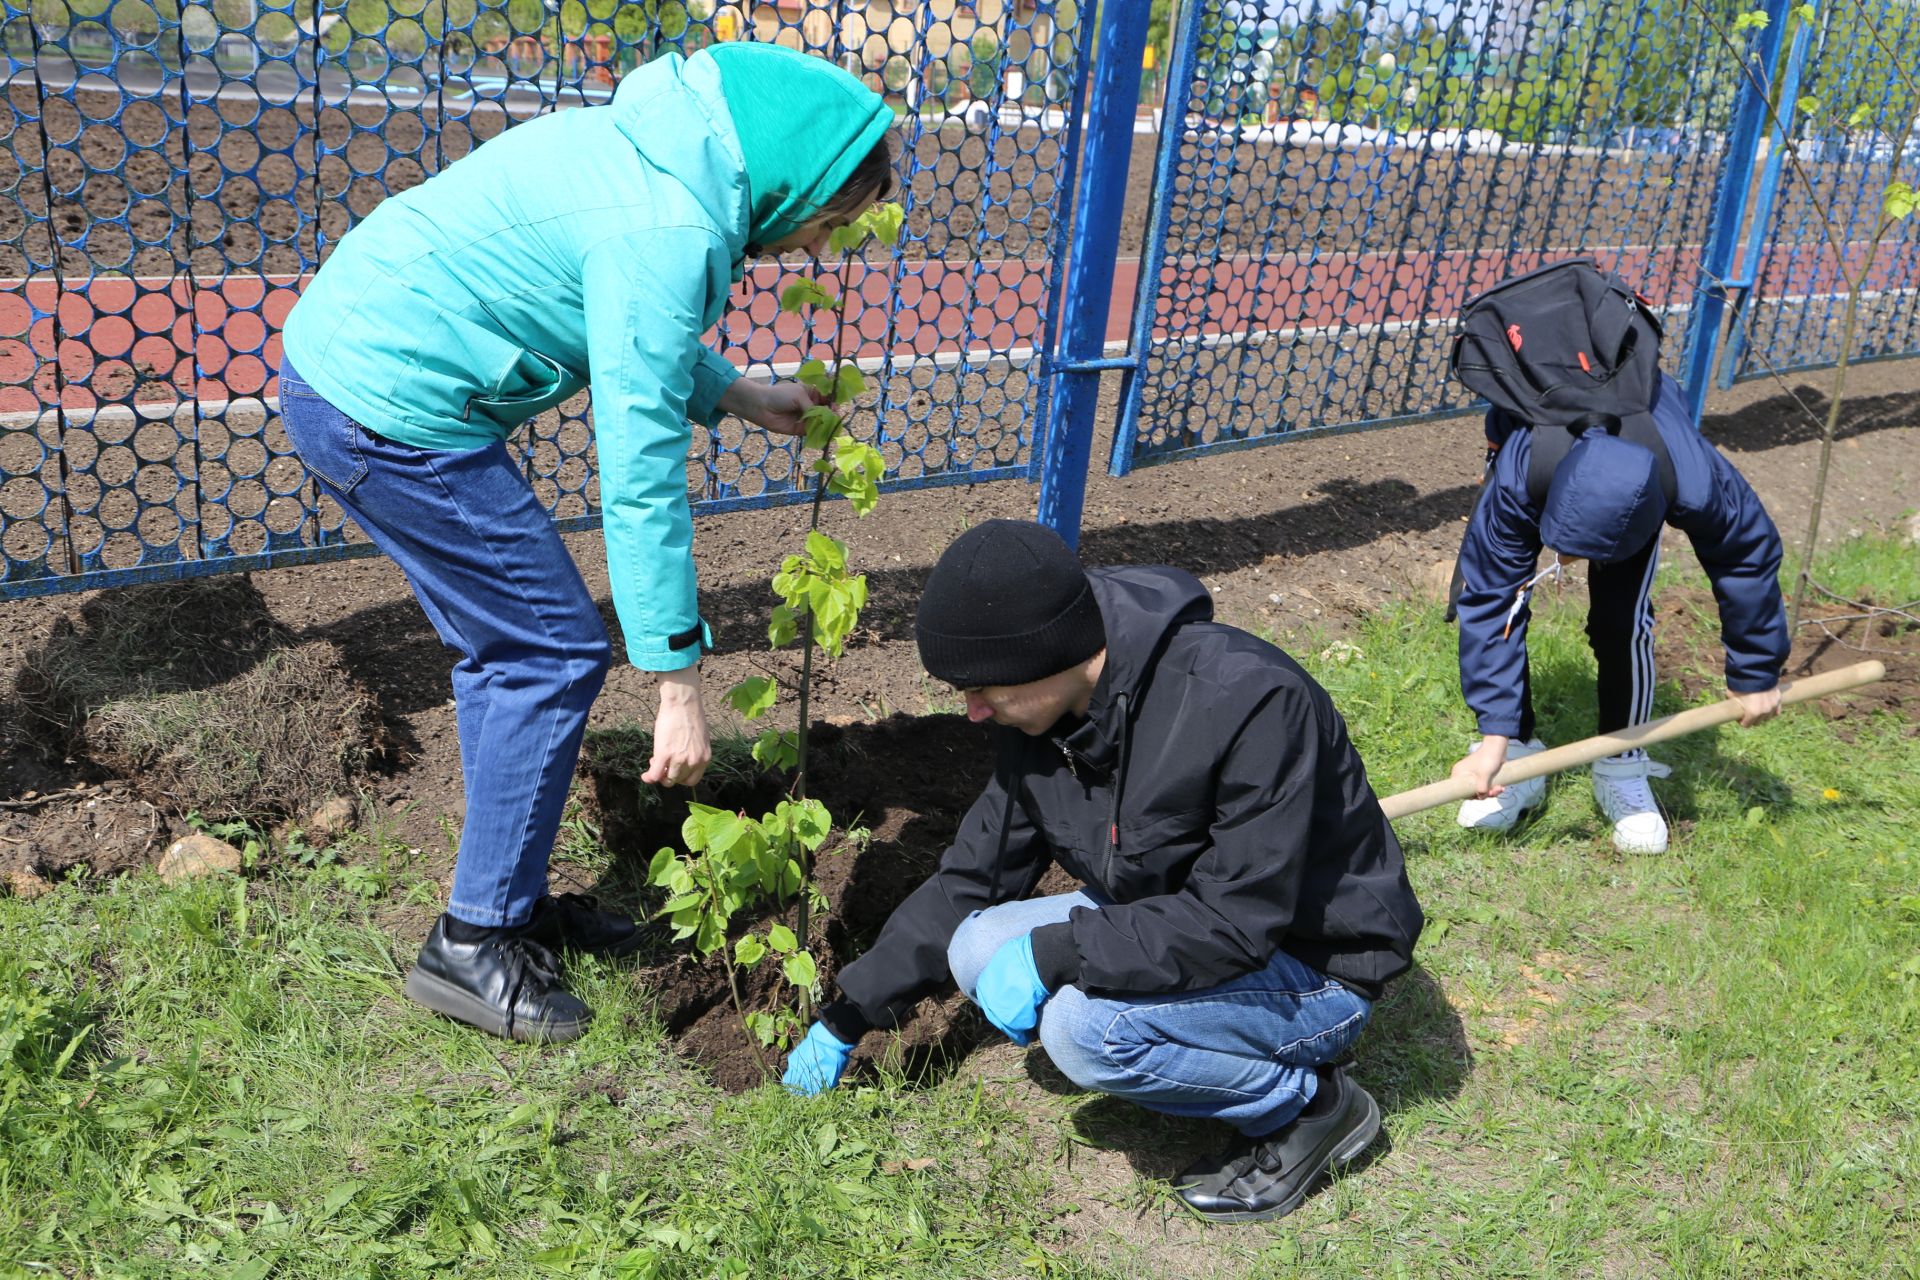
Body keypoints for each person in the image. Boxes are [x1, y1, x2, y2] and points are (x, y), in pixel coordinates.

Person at [276, 43, 895, 1043]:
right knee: (549, 648)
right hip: (382, 405)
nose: (822, 252)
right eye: (829, 224)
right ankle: (472, 944)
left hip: (361, 373)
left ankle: (502, 906)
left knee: (508, 650)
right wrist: (677, 682)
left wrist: (735, 390)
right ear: (790, 184)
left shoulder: (667, 155)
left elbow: (621, 321)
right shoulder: (671, 224)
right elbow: (641, 477)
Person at [782, 520, 1425, 1224]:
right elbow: (972, 878)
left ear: (1044, 653)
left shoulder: (1247, 700)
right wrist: (848, 1016)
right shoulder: (1043, 722)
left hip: (1310, 964)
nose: (970, 711)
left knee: (1086, 1031)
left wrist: (1062, 951)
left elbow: (1238, 922)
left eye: (981, 688)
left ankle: (1311, 1106)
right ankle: (1203, 1047)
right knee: (973, 944)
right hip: (1180, 921)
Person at [1449, 369, 1789, 852]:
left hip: (1640, 456)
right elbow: (1489, 601)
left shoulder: (1689, 476)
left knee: (1621, 619)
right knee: (1507, 596)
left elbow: (1747, 554)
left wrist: (1756, 671)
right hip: (1540, 449)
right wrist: (1494, 737)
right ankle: (1515, 756)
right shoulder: (1520, 476)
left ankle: (1620, 761)